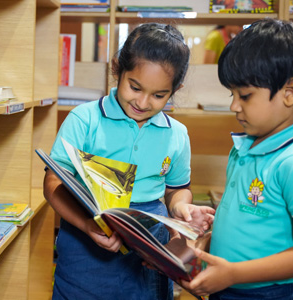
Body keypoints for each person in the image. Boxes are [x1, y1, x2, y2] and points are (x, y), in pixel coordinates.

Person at [43, 23, 215, 300]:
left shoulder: (177, 134)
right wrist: (87, 225)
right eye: (135, 87)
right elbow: (53, 183)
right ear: (116, 70)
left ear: (175, 89)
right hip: (85, 240)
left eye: (159, 95)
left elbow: (176, 188)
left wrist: (181, 207)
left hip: (147, 248)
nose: (144, 102)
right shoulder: (84, 119)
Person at [181, 18, 293, 299]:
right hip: (228, 287)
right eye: (232, 94)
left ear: (290, 92)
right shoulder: (246, 146)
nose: (234, 106)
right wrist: (211, 242)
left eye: (245, 96)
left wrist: (235, 273)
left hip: (269, 294)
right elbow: (252, 223)